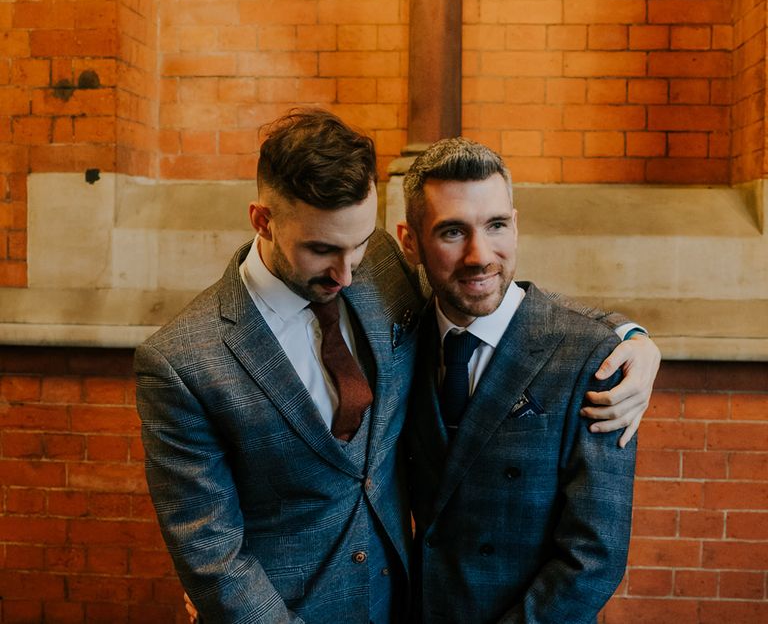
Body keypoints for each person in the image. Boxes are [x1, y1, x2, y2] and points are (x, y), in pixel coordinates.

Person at [136, 109, 657, 624]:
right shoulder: (182, 361)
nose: (345, 272)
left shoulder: (382, 266)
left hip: (403, 603)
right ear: (263, 221)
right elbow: (212, 553)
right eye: (322, 250)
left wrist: (630, 337)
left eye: (358, 243)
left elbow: (476, 291)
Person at [398, 137, 641, 623]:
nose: (480, 255)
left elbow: (594, 556)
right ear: (411, 242)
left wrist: (637, 338)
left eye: (496, 226)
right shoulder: (401, 336)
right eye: (451, 232)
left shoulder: (592, 355)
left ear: (516, 224)